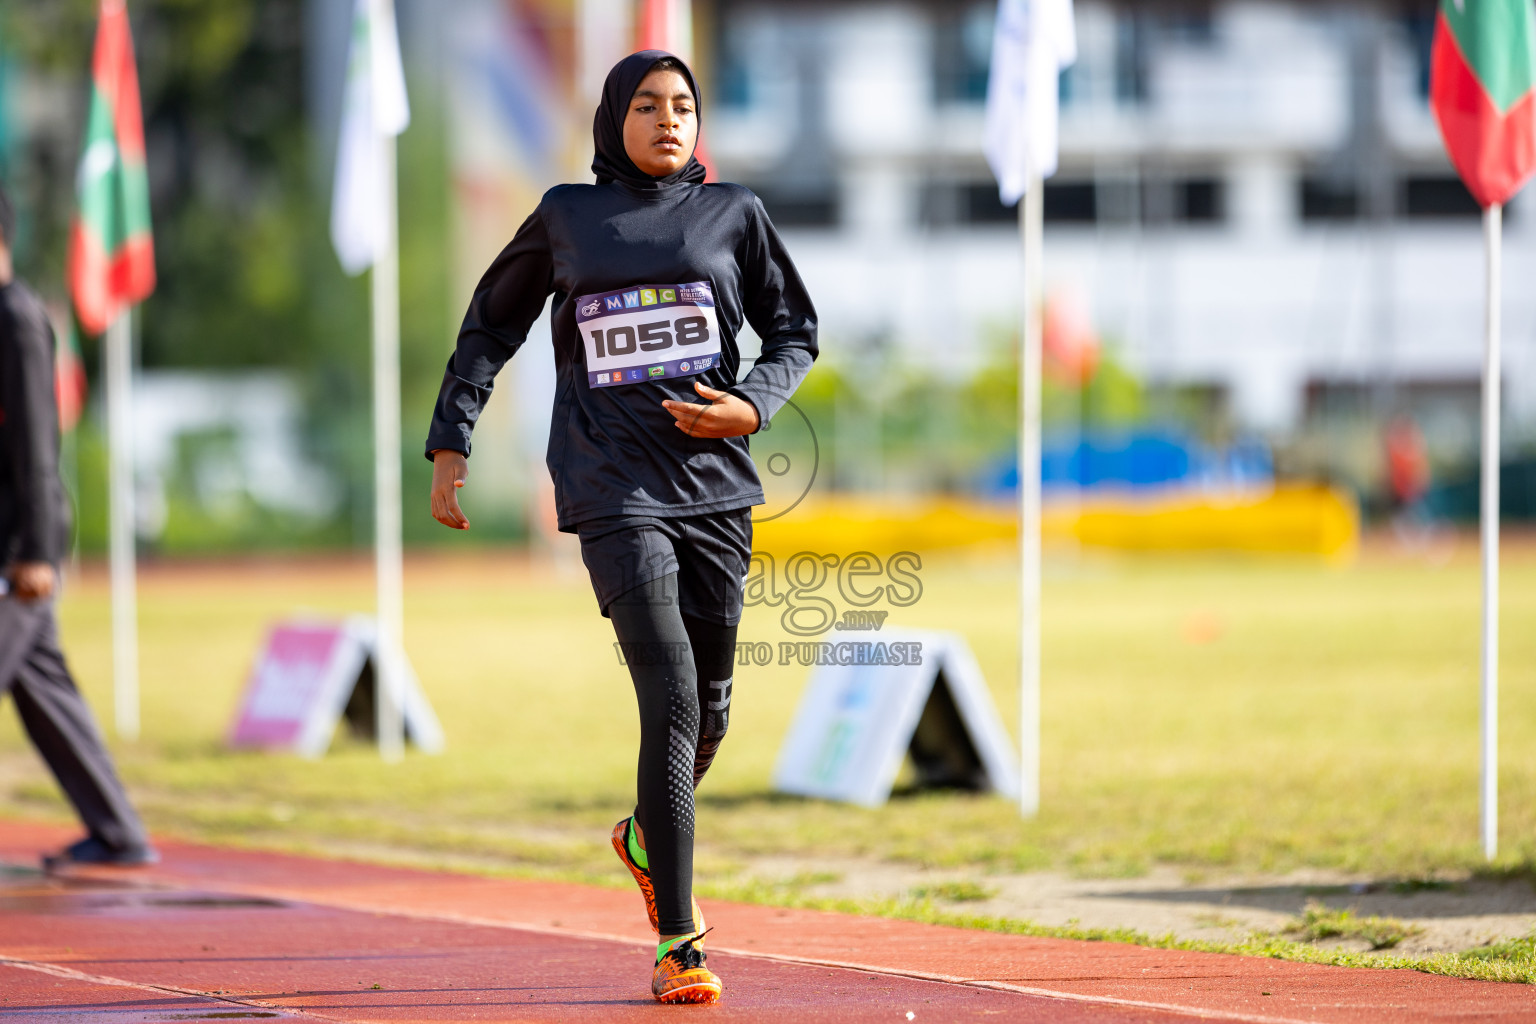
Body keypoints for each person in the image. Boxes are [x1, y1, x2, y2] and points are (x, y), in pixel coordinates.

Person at [424, 51, 816, 1003]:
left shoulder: (735, 214)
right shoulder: (568, 215)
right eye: (647, 105)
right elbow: (490, 324)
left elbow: (794, 329)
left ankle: (645, 837)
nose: (668, 120)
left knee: (712, 710)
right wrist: (451, 441)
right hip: (610, 487)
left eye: (682, 105)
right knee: (671, 692)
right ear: (614, 120)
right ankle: (679, 941)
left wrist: (751, 408)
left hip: (716, 489)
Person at [0, 183, 155, 869]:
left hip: (18, 548)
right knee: (45, 691)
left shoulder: (16, 319)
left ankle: (122, 834)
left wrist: (37, 550)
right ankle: (119, 833)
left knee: (41, 682)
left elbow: (37, 443)